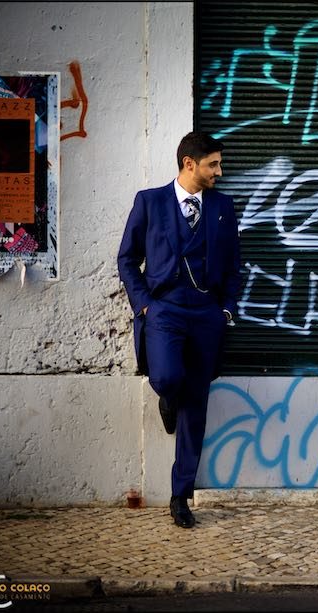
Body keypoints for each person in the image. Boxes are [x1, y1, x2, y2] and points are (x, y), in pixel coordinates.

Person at [117, 131, 241, 529]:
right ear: (190, 164)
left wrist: (225, 310)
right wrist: (144, 305)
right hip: (164, 310)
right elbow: (126, 259)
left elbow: (235, 267)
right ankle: (166, 396)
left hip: (205, 313)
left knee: (196, 407)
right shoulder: (150, 202)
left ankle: (180, 495)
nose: (219, 172)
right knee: (168, 377)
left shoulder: (223, 207)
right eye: (213, 165)